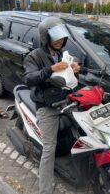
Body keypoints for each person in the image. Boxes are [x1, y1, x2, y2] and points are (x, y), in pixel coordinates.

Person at [23, 17, 80, 194]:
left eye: (62, 37)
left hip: (65, 101)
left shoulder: (62, 53)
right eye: (55, 37)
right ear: (45, 37)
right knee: (49, 148)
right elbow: (29, 78)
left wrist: (77, 67)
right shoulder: (35, 56)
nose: (59, 40)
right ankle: (45, 190)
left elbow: (72, 69)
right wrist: (50, 69)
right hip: (46, 106)